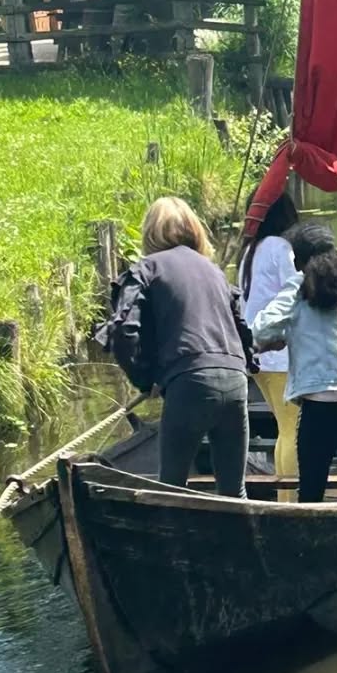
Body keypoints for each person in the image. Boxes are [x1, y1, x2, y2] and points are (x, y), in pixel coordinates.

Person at [110, 197, 252, 497]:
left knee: (171, 489)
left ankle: (173, 544)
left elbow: (123, 331)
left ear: (150, 233)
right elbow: (241, 329)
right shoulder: (214, 271)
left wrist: (144, 379)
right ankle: (238, 543)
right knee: (234, 492)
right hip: (236, 379)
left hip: (190, 383)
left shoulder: (148, 268)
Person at [251, 224, 337, 503]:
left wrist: (279, 337)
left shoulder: (299, 286)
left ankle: (308, 546)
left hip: (319, 402)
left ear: (299, 260)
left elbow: (259, 329)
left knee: (311, 492)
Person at [237, 191, 300, 501]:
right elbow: (296, 291)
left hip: (257, 355)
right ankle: (290, 500)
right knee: (293, 429)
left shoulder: (249, 251)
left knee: (283, 426)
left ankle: (284, 495)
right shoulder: (281, 247)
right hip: (278, 354)